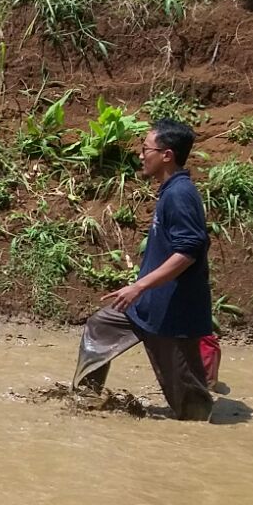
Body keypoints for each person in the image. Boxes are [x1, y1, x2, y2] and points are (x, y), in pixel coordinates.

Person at [71, 119, 213, 420]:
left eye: (146, 149)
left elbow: (188, 252)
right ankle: (84, 401)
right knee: (100, 327)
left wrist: (139, 286)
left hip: (172, 313)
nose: (140, 155)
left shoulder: (180, 194)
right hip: (146, 305)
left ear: (167, 155)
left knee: (190, 404)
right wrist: (141, 291)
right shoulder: (170, 190)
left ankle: (202, 438)